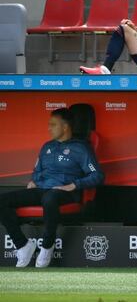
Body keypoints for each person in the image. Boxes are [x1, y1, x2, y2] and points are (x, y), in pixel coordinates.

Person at [0, 108, 104, 268]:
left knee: (50, 198)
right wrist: (33, 181)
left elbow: (97, 175)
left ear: (65, 127)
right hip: (42, 189)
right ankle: (22, 245)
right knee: (2, 200)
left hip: (64, 193)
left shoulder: (81, 148)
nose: (49, 128)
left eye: (53, 124)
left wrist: (74, 185)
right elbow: (37, 171)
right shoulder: (47, 146)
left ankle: (47, 246)